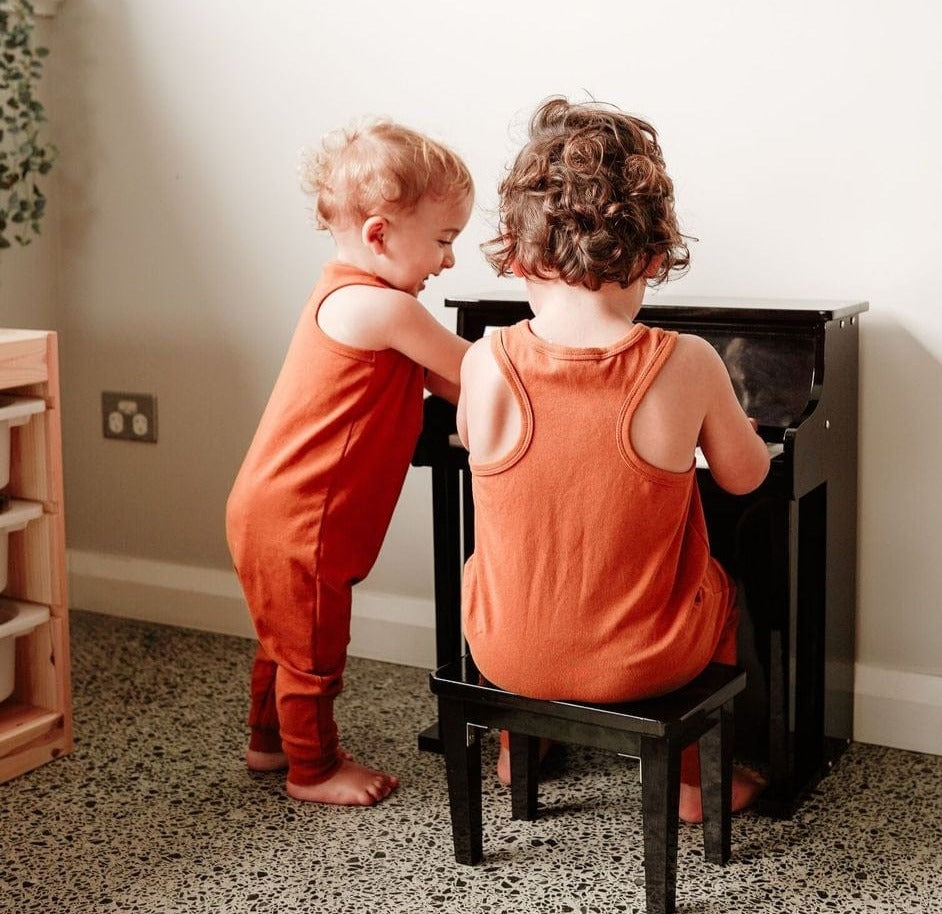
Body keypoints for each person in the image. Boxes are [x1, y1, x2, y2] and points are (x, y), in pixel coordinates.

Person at [457, 96, 769, 822]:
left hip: (502, 652)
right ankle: (693, 785)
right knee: (718, 583)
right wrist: (730, 429)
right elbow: (744, 476)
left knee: (492, 563)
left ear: (513, 251)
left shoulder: (484, 360)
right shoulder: (687, 362)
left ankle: (517, 744)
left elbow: (477, 445)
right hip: (651, 660)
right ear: (656, 257)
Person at [226, 117, 473, 806]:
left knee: (282, 638)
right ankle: (314, 769)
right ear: (379, 234)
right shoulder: (382, 310)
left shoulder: (359, 299)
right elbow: (472, 371)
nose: (449, 261)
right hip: (301, 518)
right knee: (310, 651)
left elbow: (444, 382)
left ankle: (267, 743)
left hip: (278, 507)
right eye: (444, 241)